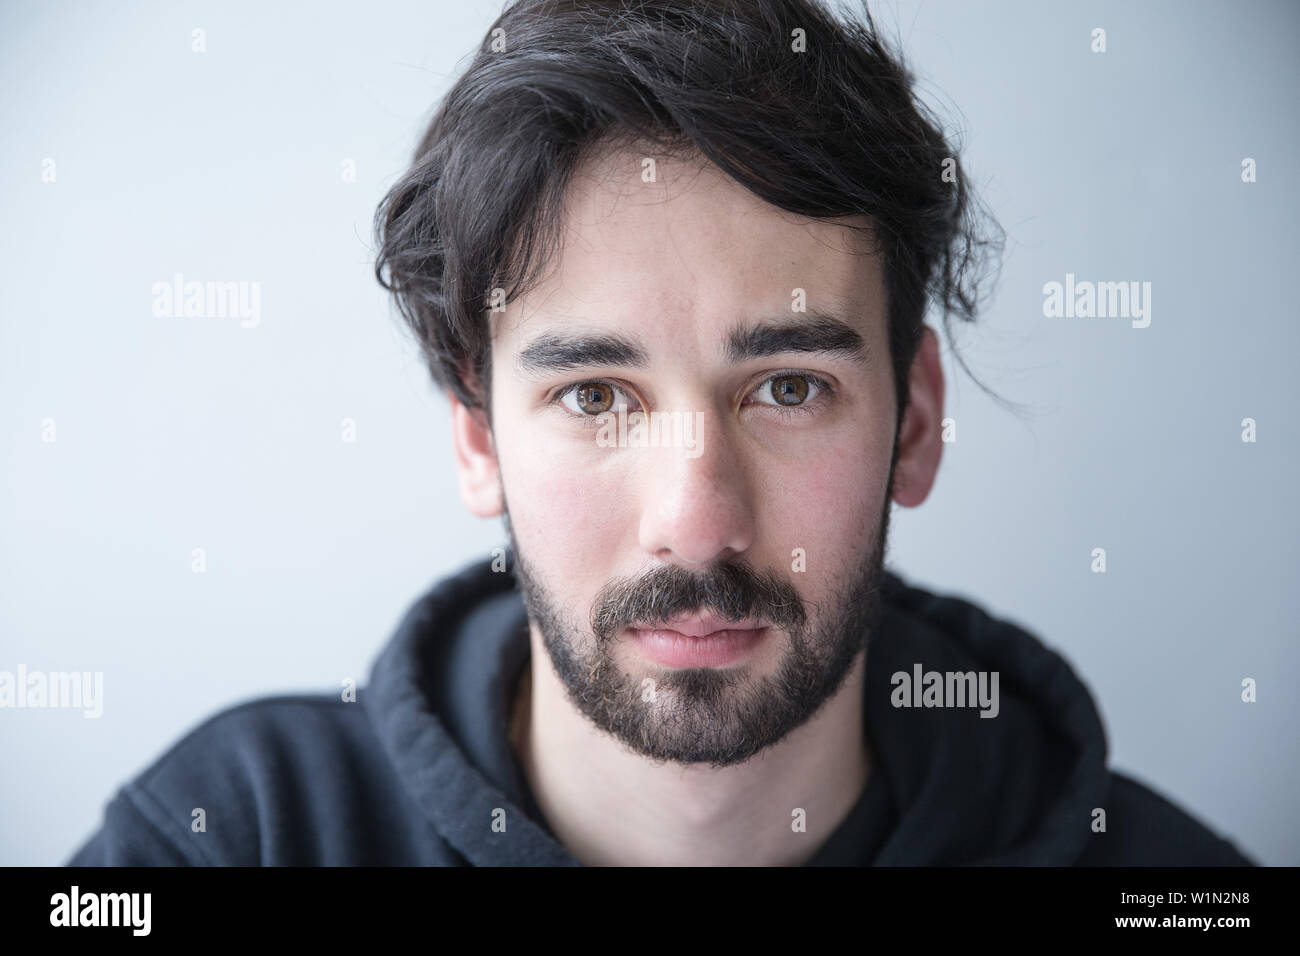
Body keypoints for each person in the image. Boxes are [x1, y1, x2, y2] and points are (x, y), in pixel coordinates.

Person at [68, 0, 1252, 866]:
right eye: (594, 396)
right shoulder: (228, 837)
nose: (695, 519)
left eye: (787, 387)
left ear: (916, 420)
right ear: (477, 439)